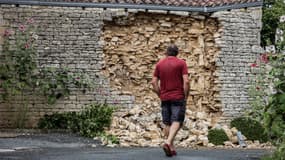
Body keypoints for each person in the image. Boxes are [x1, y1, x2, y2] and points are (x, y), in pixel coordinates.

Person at [151, 44, 189, 157]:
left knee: (168, 122)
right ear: (177, 53)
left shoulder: (159, 64)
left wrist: (159, 93)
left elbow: (153, 82)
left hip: (165, 97)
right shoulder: (181, 63)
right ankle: (168, 142)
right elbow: (186, 81)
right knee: (177, 120)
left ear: (166, 52)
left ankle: (171, 148)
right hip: (178, 96)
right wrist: (185, 95)